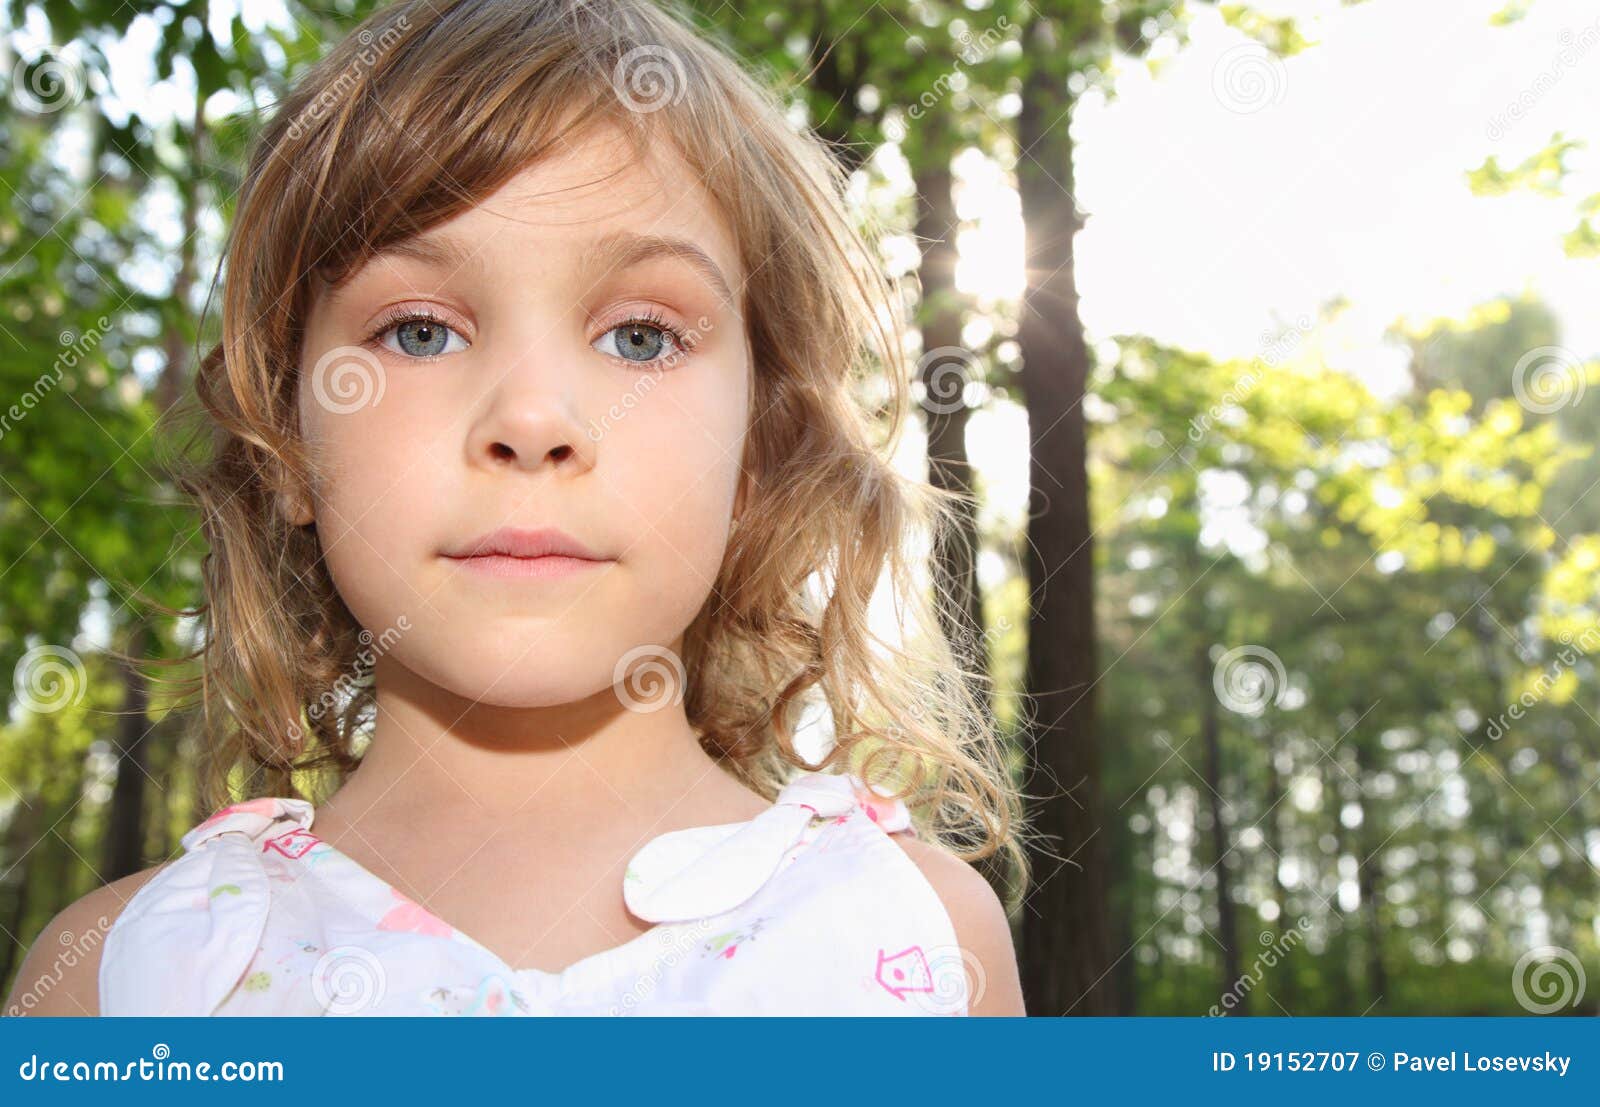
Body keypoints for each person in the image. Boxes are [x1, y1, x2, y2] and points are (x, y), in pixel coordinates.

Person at [7, 0, 1028, 1017]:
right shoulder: (123, 979)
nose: (532, 417)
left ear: (756, 452)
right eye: (417, 333)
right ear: (287, 442)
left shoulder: (919, 944)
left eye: (640, 338)